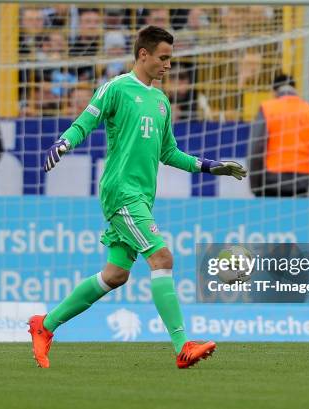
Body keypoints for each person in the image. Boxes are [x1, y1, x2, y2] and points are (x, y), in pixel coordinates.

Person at [29, 26, 246, 369]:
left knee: (115, 275)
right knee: (162, 258)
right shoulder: (116, 88)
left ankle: (45, 325)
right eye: (163, 58)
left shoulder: (161, 101)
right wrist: (64, 142)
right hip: (121, 192)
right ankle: (182, 346)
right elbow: (86, 121)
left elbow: (169, 152)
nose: (168, 65)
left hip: (142, 197)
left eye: (170, 59)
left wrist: (210, 167)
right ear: (143, 54)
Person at [248, 73, 309, 197]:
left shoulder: (268, 109)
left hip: (271, 181)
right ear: (295, 90)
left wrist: (256, 186)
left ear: (274, 92)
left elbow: (256, 149)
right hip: (302, 182)